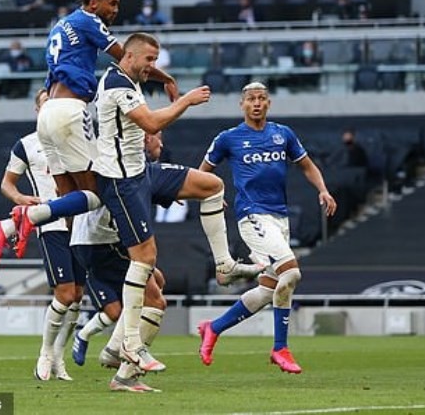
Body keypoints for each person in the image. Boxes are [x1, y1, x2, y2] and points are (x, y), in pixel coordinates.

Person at [93, 33, 264, 373]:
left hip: (143, 171)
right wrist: (185, 100)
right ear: (130, 57)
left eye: (156, 61)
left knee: (212, 185)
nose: (152, 67)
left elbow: (148, 98)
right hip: (122, 180)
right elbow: (152, 123)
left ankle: (225, 266)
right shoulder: (116, 84)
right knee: (145, 259)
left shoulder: (127, 76)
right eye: (149, 60)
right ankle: (128, 343)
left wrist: (165, 78)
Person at [0, 0, 177, 265]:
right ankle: (17, 221)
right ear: (93, 2)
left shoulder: (59, 26)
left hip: (47, 112)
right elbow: (126, 58)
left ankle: (27, 236)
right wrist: (165, 77)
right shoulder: (88, 19)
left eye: (118, 4)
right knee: (96, 193)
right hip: (70, 112)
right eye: (111, 3)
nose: (115, 10)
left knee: (69, 199)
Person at [197, 82, 337, 374]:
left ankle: (214, 327)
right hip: (252, 217)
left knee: (266, 291)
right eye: (251, 99)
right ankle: (280, 348)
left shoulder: (282, 134)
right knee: (292, 273)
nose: (256, 103)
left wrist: (323, 190)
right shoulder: (229, 138)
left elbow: (308, 165)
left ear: (269, 103)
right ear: (242, 105)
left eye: (261, 98)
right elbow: (202, 172)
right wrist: (208, 195)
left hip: (279, 218)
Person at [0, 88, 85, 382]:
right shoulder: (26, 145)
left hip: (82, 224)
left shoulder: (77, 139)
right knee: (65, 293)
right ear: (38, 111)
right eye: (46, 105)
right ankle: (45, 354)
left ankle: (59, 358)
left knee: (78, 297)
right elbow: (7, 184)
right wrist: (21, 199)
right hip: (52, 225)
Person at [70, 205, 167, 392]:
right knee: (154, 302)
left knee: (150, 291)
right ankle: (125, 374)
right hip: (103, 239)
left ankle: (114, 349)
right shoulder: (115, 176)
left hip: (90, 239)